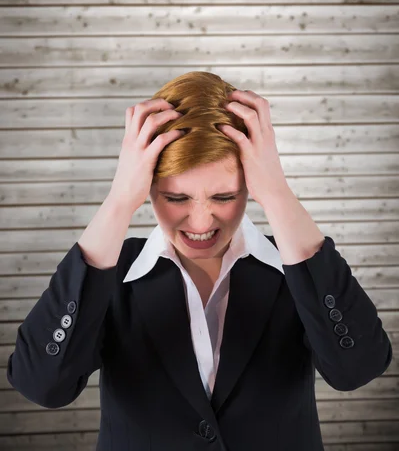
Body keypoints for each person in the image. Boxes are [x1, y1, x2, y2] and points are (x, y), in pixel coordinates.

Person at [7, 71, 392, 450]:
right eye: (176, 198)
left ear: (250, 186)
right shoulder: (110, 271)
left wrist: (278, 193)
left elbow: (355, 368)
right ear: (148, 187)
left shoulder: (296, 266)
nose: (201, 223)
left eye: (224, 197)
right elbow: (44, 385)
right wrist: (118, 201)